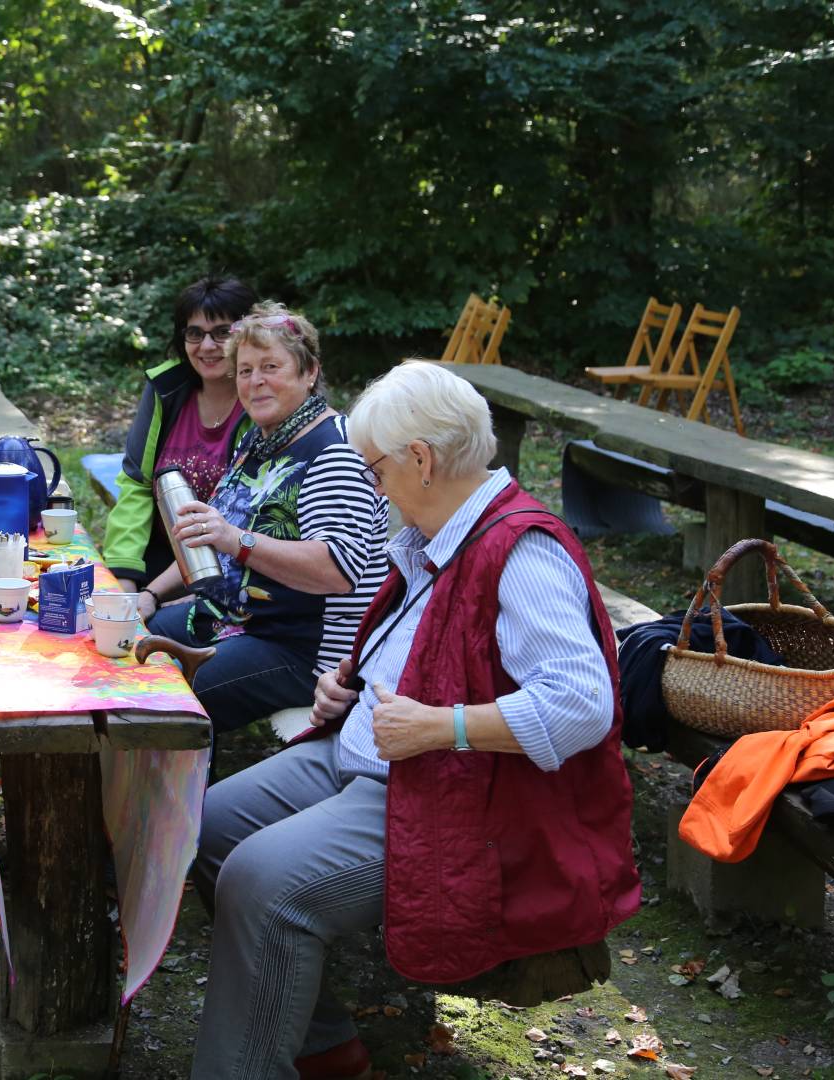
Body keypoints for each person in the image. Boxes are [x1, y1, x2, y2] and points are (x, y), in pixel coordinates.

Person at [187, 361, 640, 1080]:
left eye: (375, 468)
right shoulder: (437, 536)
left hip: (448, 786)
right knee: (206, 825)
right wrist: (350, 687)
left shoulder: (521, 550)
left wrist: (442, 726)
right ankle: (321, 1045)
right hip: (367, 749)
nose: (373, 487)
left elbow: (581, 704)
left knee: (262, 880)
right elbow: (430, 649)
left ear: (421, 460)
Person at [133, 304, 390, 736]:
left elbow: (336, 570)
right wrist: (150, 595)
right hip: (235, 618)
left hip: (308, 651)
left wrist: (236, 539)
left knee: (172, 697)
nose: (255, 381)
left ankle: (177, 779)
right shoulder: (260, 439)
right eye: (245, 370)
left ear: (310, 372)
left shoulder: (336, 451)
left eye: (271, 367)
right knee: (134, 641)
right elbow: (208, 533)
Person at [104, 276, 258, 593]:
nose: (207, 346)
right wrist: (125, 576)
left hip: (230, 568)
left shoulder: (260, 401)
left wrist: (162, 596)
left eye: (222, 332)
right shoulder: (166, 389)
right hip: (160, 557)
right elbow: (137, 484)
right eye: (195, 333)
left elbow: (249, 515)